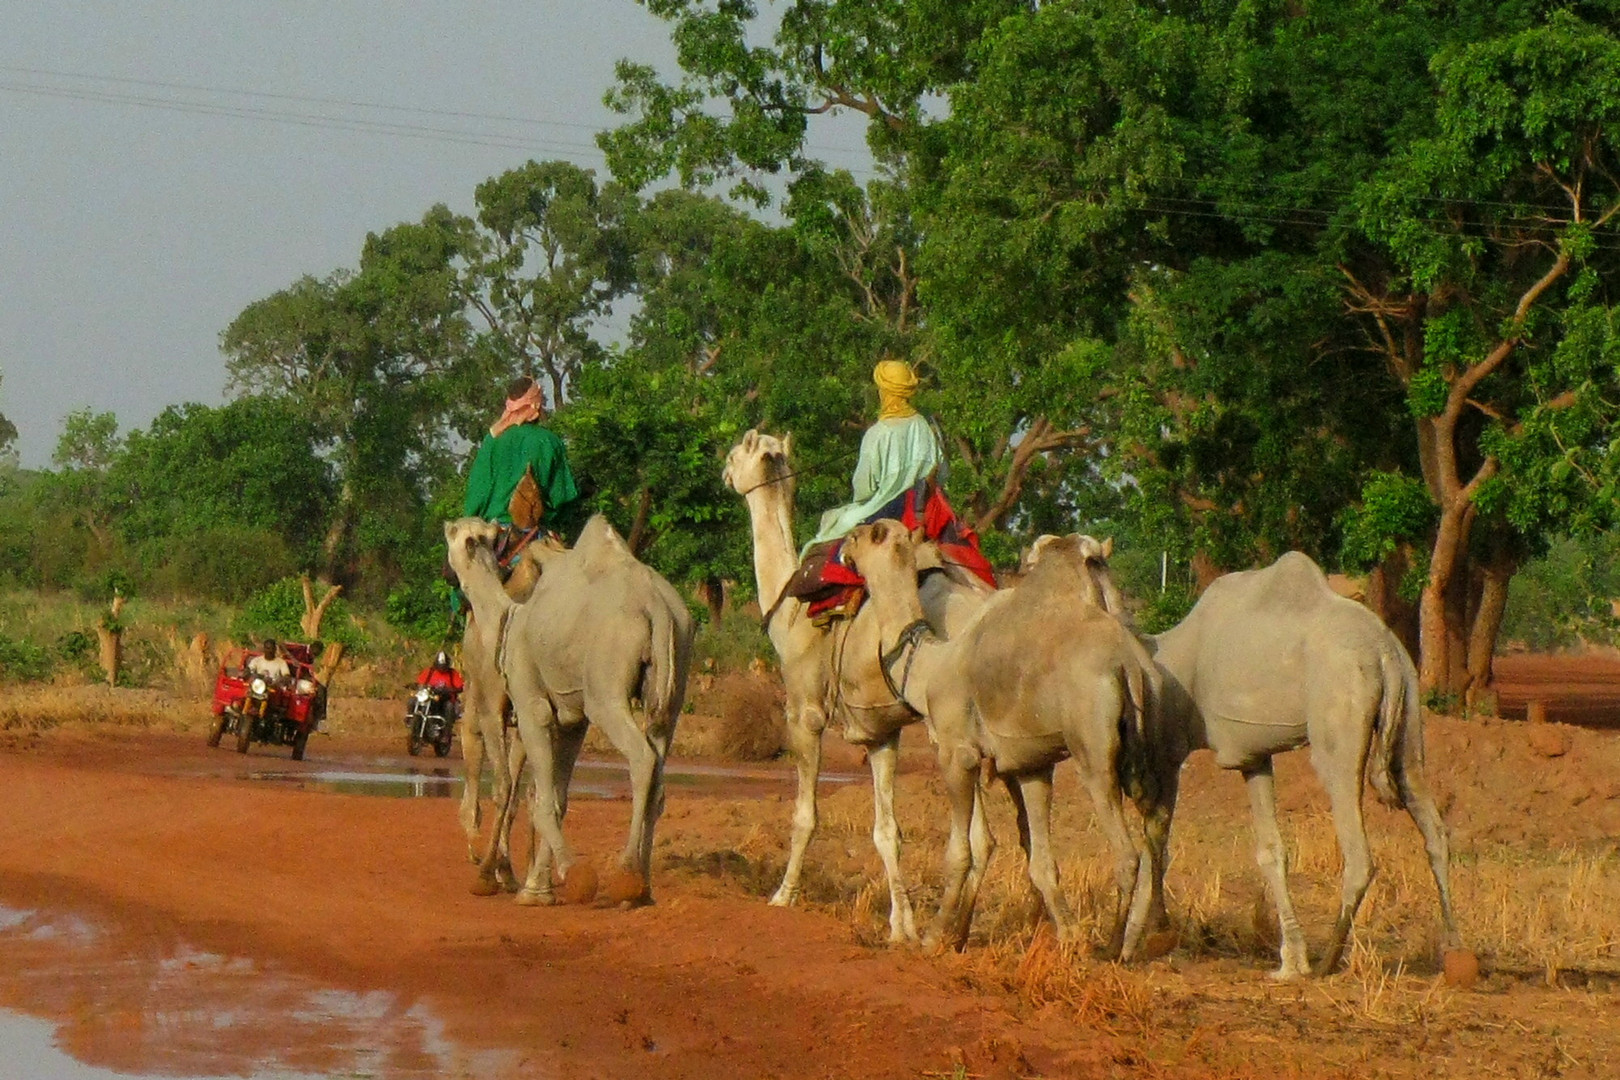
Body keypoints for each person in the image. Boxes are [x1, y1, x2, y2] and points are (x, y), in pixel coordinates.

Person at [804, 358, 944, 552]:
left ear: (885, 392)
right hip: (926, 512)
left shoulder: (877, 433)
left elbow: (864, 490)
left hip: (885, 511)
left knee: (828, 532)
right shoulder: (927, 427)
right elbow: (942, 474)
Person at [463, 375, 580, 535]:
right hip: (532, 535)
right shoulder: (549, 441)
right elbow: (560, 499)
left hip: (490, 537)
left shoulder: (492, 441)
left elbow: (476, 495)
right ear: (537, 406)